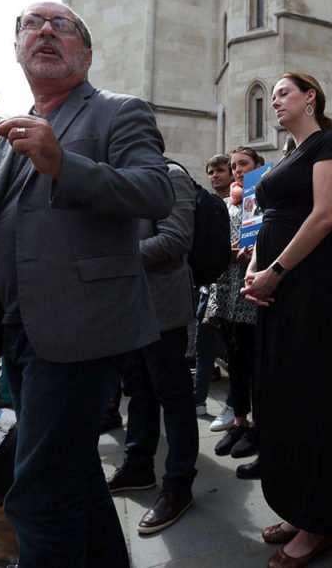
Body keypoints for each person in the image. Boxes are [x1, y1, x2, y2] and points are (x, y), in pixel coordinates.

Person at [0, 0, 174, 568]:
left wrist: (63, 164)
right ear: (18, 48)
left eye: (64, 26)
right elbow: (1, 226)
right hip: (17, 330)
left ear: (86, 52)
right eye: (32, 23)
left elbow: (155, 193)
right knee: (71, 472)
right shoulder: (9, 133)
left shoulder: (118, 112)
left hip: (81, 328)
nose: (46, 30)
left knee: (36, 495)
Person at [242, 73, 332, 567]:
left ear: (311, 97)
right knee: (280, 397)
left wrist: (277, 270)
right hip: (275, 289)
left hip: (308, 290)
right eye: (273, 96)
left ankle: (320, 522)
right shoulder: (285, 156)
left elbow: (324, 216)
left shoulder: (329, 142)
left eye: (284, 92)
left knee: (311, 400)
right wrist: (253, 268)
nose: (276, 102)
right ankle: (295, 507)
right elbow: (263, 221)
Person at [108, 157, 200, 536]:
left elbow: (176, 238)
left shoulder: (172, 176)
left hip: (162, 308)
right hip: (129, 306)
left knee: (173, 396)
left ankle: (178, 486)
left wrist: (112, 259)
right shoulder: (123, 181)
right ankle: (138, 466)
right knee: (139, 391)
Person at [208, 146, 265, 464]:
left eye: (244, 164)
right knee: (236, 364)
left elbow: (273, 237)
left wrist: (256, 249)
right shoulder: (228, 207)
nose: (238, 169)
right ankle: (239, 423)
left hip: (252, 294)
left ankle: (258, 425)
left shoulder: (264, 201)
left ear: (258, 165)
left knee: (255, 364)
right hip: (227, 292)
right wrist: (224, 251)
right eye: (234, 165)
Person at [192, 153, 233, 416]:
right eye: (210, 172)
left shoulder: (246, 200)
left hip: (236, 282)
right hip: (212, 283)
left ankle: (234, 404)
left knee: (233, 346)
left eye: (219, 170)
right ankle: (198, 398)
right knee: (202, 342)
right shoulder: (207, 203)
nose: (214, 176)